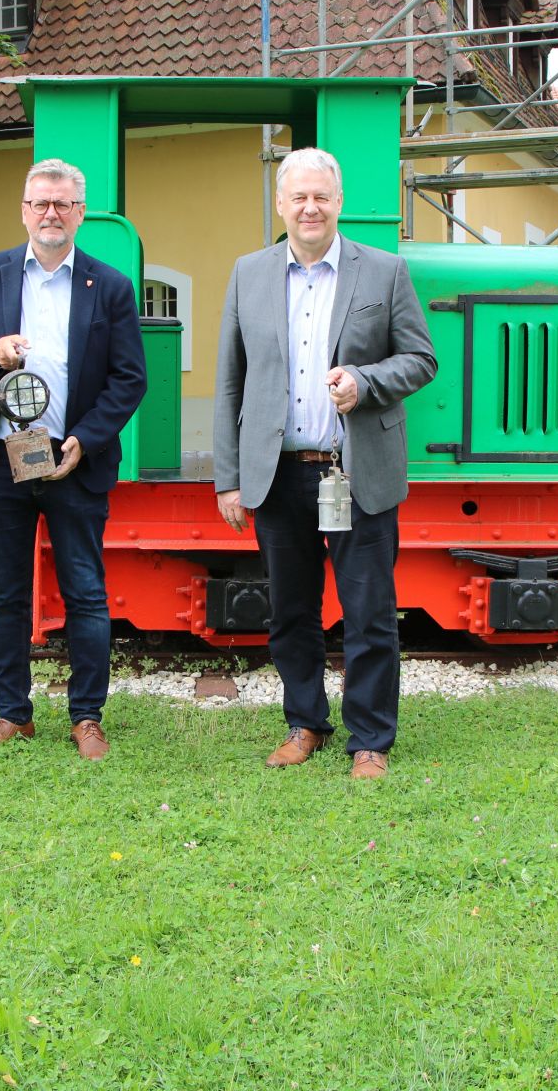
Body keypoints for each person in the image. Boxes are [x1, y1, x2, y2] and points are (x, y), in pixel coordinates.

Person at [213, 147, 436, 781]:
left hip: (356, 469)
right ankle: (304, 722)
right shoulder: (247, 273)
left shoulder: (384, 271)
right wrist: (228, 478)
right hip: (278, 473)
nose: (311, 208)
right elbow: (231, 383)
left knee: (368, 611)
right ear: (280, 204)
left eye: (323, 197)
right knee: (290, 611)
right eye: (298, 197)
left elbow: (420, 358)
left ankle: (370, 738)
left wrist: (365, 382)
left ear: (339, 203)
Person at [0, 159, 146, 761]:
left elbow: (129, 378)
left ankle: (87, 717)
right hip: (4, 459)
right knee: (5, 594)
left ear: (80, 213)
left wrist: (85, 437)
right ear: (24, 210)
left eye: (62, 204)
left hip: (72, 459)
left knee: (85, 591)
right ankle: (13, 716)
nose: (50, 213)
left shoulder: (109, 285)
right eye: (39, 204)